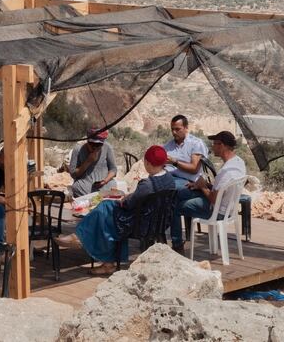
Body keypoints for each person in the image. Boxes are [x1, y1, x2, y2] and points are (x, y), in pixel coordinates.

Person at [56, 145, 176, 275]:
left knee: (104, 210)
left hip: (139, 224)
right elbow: (140, 199)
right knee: (105, 210)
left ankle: (82, 239)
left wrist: (122, 200)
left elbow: (129, 204)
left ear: (147, 162)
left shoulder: (147, 185)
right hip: (157, 222)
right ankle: (85, 242)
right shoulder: (169, 179)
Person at [172, 131, 246, 251]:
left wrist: (202, 186)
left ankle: (177, 245)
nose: (212, 146)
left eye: (214, 144)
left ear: (222, 145)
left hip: (217, 211)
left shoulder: (226, 171)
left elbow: (214, 199)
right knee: (184, 194)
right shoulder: (239, 162)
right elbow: (223, 189)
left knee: (174, 206)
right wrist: (205, 184)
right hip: (229, 209)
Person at [164, 114, 208, 249]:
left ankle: (176, 242)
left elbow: (194, 169)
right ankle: (154, 235)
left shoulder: (196, 143)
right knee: (151, 189)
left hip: (190, 183)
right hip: (171, 179)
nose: (174, 132)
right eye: (172, 129)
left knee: (169, 196)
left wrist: (175, 162)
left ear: (186, 128)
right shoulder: (168, 145)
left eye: (177, 129)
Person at [69, 127, 117, 198]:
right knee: (76, 187)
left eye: (98, 145)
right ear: (87, 140)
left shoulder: (107, 147)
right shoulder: (78, 149)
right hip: (85, 185)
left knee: (112, 185)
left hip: (104, 184)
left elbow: (113, 170)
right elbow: (73, 174)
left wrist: (105, 181)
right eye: (92, 143)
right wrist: (88, 161)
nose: (94, 147)